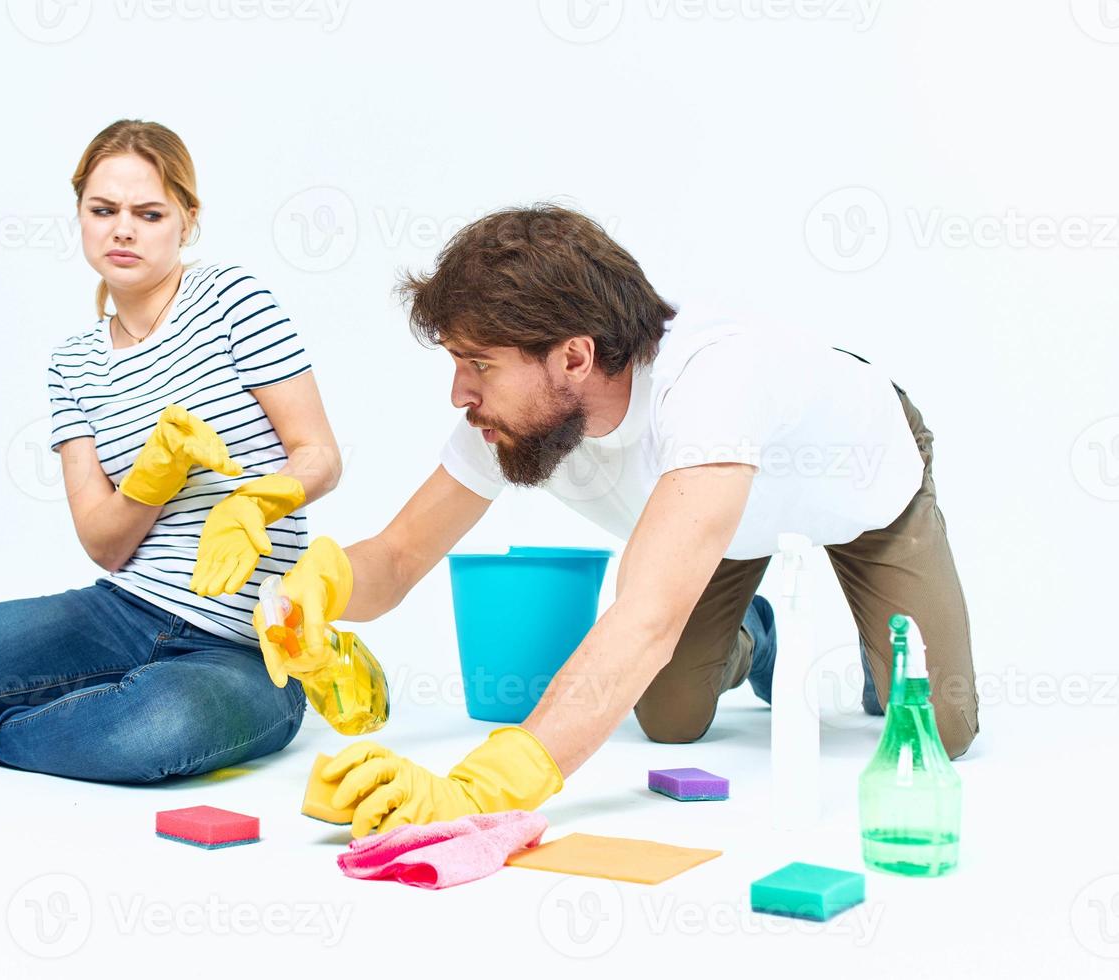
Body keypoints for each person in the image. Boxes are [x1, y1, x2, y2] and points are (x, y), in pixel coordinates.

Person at [262, 204, 979, 838]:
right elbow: (396, 556)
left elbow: (643, 624)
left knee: (938, 730)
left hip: (864, 493)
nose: (459, 393)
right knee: (670, 717)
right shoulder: (516, 416)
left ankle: (879, 659)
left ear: (574, 356)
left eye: (477, 364)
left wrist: (483, 788)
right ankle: (757, 634)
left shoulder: (713, 384)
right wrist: (317, 586)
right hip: (715, 522)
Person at [0, 119, 343, 782]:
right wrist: (156, 475)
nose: (123, 230)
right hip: (119, 616)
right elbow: (104, 544)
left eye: (148, 213)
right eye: (104, 211)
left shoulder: (233, 300)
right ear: (82, 216)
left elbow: (319, 454)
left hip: (252, 647)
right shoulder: (73, 364)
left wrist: (259, 501)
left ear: (187, 219)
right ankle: (77, 718)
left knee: (157, 730)